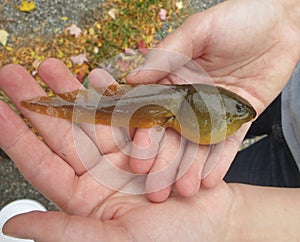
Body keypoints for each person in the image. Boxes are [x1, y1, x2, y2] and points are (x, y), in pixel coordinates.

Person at [1, 0, 300, 240]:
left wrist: (232, 224)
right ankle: (37, 106)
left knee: (198, 185)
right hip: (282, 81)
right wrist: (290, 19)